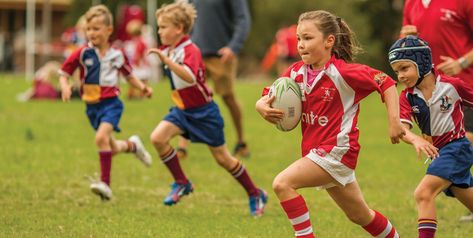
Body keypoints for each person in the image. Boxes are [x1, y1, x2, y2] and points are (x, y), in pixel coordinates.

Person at [256, 10, 405, 237]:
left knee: (282, 184)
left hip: (337, 151)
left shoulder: (343, 73)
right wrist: (261, 106)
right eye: (298, 39)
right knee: (360, 215)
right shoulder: (295, 72)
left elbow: (386, 82)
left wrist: (394, 122)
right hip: (317, 152)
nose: (301, 45)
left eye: (307, 38)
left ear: (329, 41)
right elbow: (267, 95)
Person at [148, 2, 267, 216]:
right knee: (157, 138)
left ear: (179, 28)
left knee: (223, 159)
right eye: (159, 27)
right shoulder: (171, 49)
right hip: (182, 111)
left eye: (163, 27)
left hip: (204, 114)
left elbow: (190, 77)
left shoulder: (191, 50)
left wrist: (167, 61)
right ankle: (182, 182)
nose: (159, 31)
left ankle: (255, 193)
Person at [58, 5, 154, 201]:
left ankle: (105, 185)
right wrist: (65, 86)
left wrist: (142, 88)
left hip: (111, 104)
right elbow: (64, 72)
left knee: (101, 139)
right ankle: (133, 146)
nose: (91, 33)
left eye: (96, 28)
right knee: (110, 147)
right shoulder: (83, 53)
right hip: (91, 107)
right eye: (89, 29)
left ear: (109, 30)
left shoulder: (117, 54)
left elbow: (129, 76)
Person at [388, 35, 473, 237]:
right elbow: (403, 128)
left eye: (404, 68)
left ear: (422, 62)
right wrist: (414, 138)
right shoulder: (406, 97)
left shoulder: (453, 86)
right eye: (396, 71)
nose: (399, 76)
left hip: (457, 148)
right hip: (440, 153)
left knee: (423, 193)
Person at [401, 0, 473, 223]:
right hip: (426, 94)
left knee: (462, 144)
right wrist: (406, 36)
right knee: (454, 176)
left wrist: (461, 62)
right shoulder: (411, 4)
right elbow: (403, 47)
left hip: (462, 85)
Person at [175, 0, 252, 159]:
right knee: (188, 95)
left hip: (222, 55)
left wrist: (233, 47)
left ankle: (241, 142)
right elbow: (184, 16)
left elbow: (243, 20)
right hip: (195, 53)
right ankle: (182, 147)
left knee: (228, 97)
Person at [123, 19, 151, 99]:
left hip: (137, 63)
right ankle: (136, 95)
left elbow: (138, 54)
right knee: (140, 80)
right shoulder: (140, 41)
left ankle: (135, 95)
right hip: (139, 63)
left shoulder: (137, 41)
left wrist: (137, 62)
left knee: (137, 80)